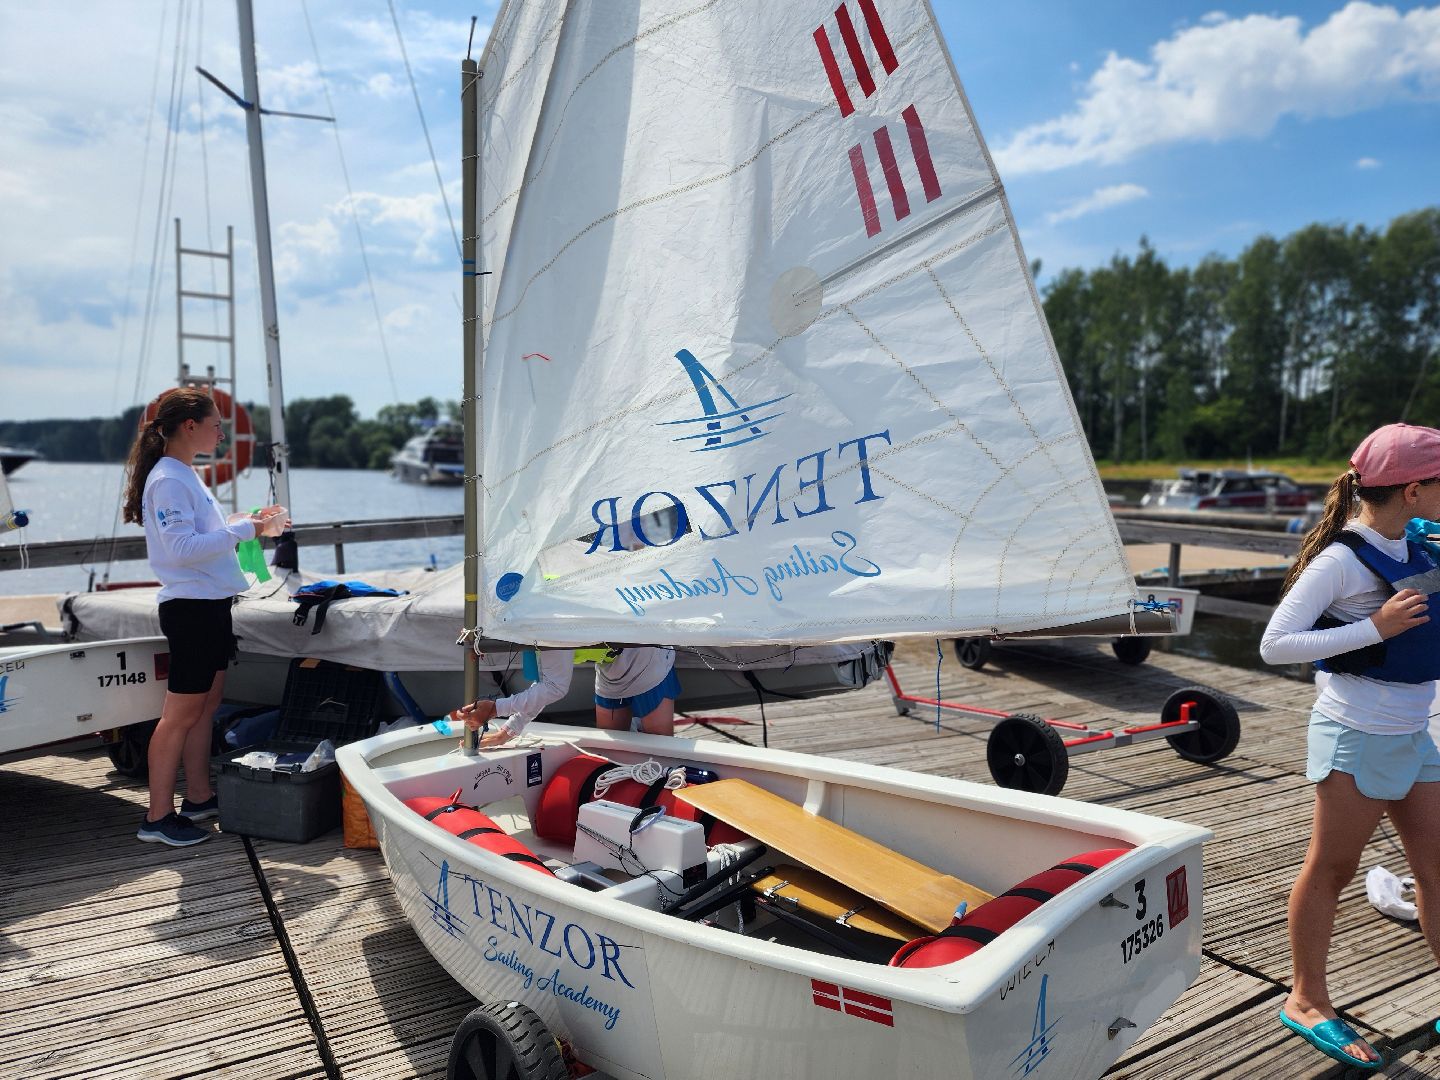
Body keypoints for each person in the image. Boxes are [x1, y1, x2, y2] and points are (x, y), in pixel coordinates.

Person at [1260, 423, 1440, 1070]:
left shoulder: (1416, 540)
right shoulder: (1341, 561)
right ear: (1415, 489)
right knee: (1331, 871)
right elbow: (1274, 645)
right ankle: (1305, 999)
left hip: (1414, 735)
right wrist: (1373, 626)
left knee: (1437, 869)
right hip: (1356, 737)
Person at [121, 388, 288, 846]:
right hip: (191, 609)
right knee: (179, 715)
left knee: (205, 707)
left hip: (210, 606)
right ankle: (156, 817)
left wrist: (251, 519)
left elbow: (204, 534)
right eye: (216, 424)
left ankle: (198, 797)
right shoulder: (170, 479)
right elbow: (181, 548)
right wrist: (247, 529)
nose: (222, 431)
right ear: (189, 426)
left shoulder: (185, 476)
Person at [458, 645, 681, 747]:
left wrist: (495, 708)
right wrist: (508, 731)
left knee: (661, 749)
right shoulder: (529, 630)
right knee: (614, 749)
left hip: (649, 658)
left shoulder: (544, 619)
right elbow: (545, 686)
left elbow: (555, 688)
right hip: (611, 669)